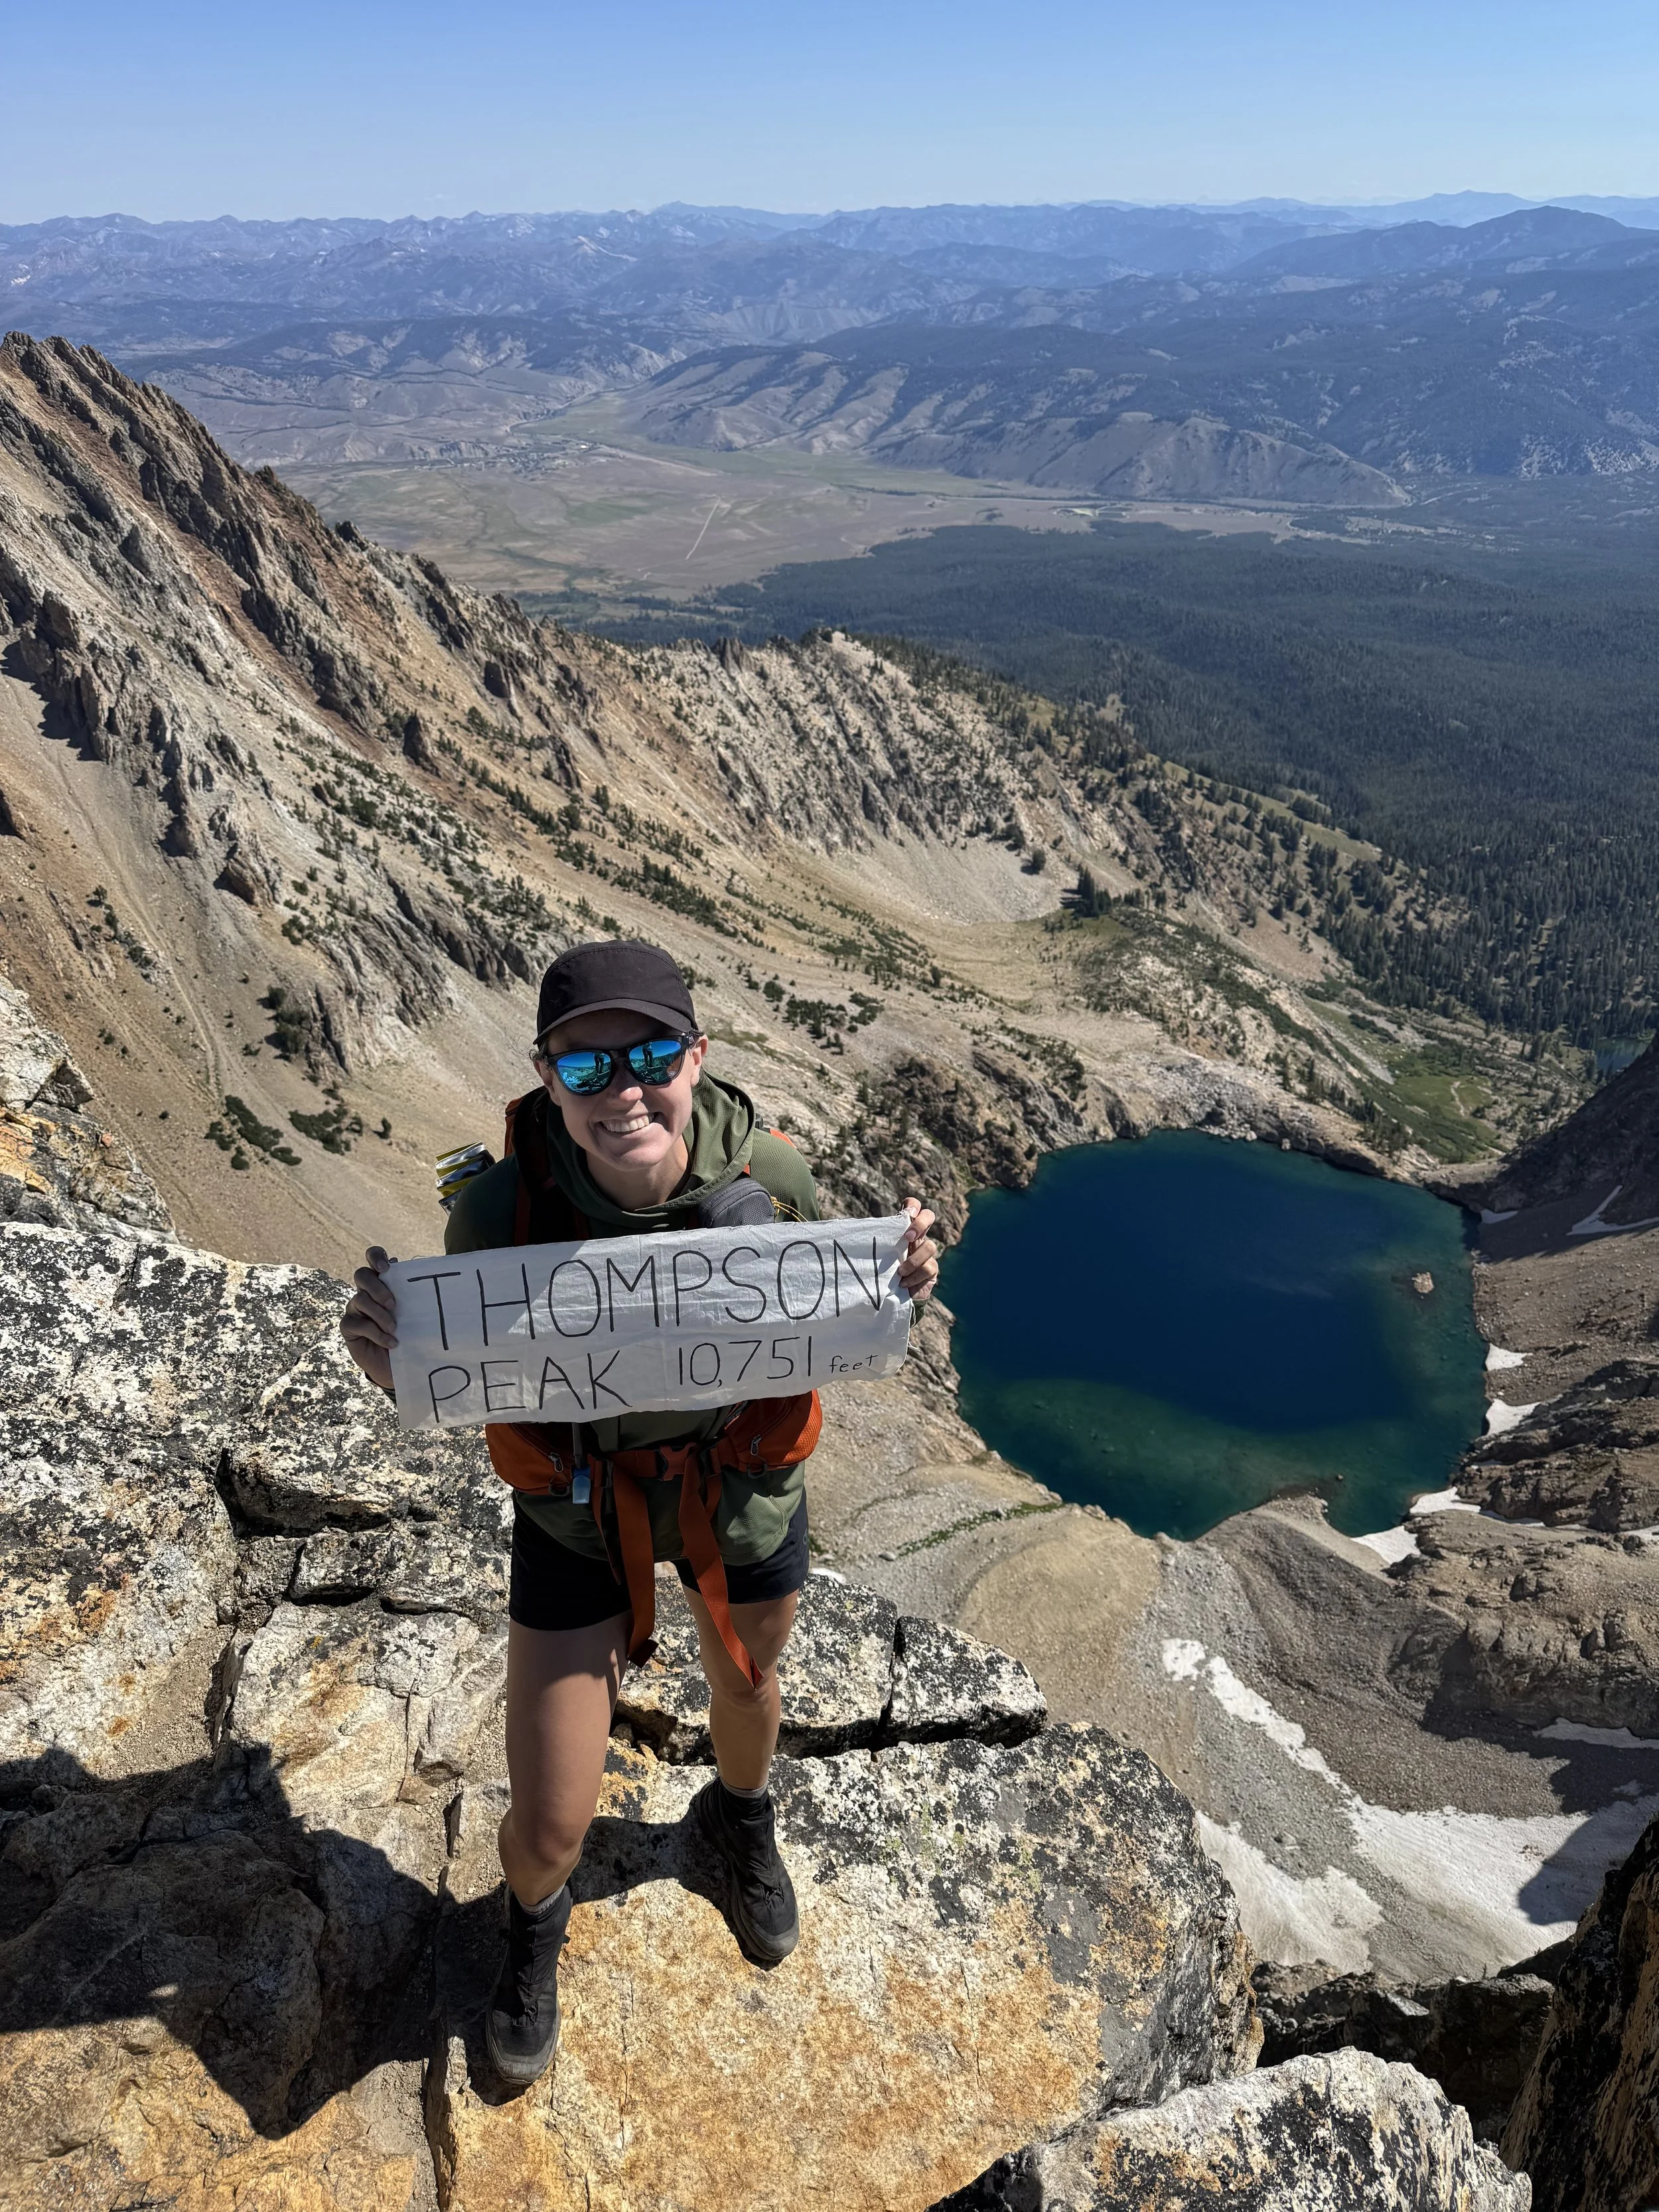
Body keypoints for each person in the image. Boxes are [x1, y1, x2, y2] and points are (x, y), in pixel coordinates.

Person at [340, 940, 939, 2087]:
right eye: (587, 1069)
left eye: (654, 1054)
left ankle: (739, 1819)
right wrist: (400, 1363)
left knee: (749, 1690)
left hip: (738, 1493)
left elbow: (834, 1318)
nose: (625, 1091)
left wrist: (892, 1286)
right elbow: (483, 1369)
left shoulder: (775, 1182)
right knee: (552, 1822)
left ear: (698, 1059)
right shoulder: (503, 1214)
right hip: (576, 1514)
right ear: (548, 1080)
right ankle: (533, 1922)